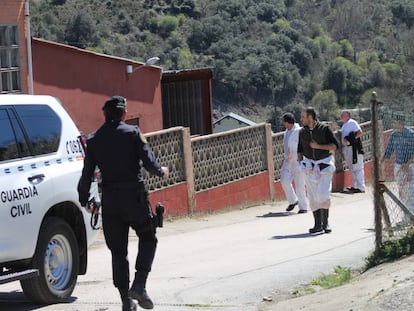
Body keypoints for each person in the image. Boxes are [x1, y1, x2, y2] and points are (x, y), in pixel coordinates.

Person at [78, 96, 169, 311]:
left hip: (110, 203)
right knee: (148, 237)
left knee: (118, 253)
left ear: (105, 115)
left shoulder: (93, 140)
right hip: (134, 199)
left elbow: (86, 175)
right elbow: (149, 162)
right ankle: (139, 284)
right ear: (124, 114)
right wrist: (161, 171)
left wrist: (84, 200)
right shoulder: (133, 134)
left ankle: (125, 301)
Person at [298, 107, 339, 234]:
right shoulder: (302, 132)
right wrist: (301, 162)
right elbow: (300, 149)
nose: (301, 119)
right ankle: (317, 224)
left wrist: (318, 146)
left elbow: (334, 146)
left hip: (324, 165)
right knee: (312, 196)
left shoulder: (324, 129)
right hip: (309, 167)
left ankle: (326, 223)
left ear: (310, 117)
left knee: (323, 194)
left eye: (303, 117)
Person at [382, 117, 414, 212]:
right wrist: (382, 160)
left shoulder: (411, 135)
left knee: (411, 190)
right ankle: (405, 214)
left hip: (411, 165)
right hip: (399, 164)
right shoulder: (394, 135)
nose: (394, 125)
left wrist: (407, 164)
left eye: (395, 123)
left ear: (401, 123)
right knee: (402, 189)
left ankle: (411, 214)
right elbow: (389, 149)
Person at [280, 113, 308, 214]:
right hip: (288, 160)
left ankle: (303, 206)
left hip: (298, 160)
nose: (283, 124)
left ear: (287, 122)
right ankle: (293, 200)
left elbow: (305, 145)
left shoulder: (299, 131)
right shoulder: (286, 132)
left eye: (284, 122)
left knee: (300, 184)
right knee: (284, 180)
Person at [340, 110, 365, 193]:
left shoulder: (352, 123)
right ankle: (355, 186)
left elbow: (360, 132)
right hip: (348, 148)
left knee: (358, 167)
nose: (341, 117)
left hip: (354, 148)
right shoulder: (344, 125)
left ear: (348, 116)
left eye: (343, 115)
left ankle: (361, 187)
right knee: (352, 168)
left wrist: (352, 140)